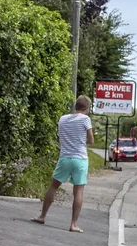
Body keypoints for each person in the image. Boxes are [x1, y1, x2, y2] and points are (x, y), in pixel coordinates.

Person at [32, 95, 94, 233]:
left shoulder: (63, 118)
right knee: (78, 191)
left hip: (64, 158)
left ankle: (42, 216)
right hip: (80, 159)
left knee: (53, 187)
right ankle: (73, 224)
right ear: (86, 108)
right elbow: (91, 140)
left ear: (75, 106)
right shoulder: (85, 119)